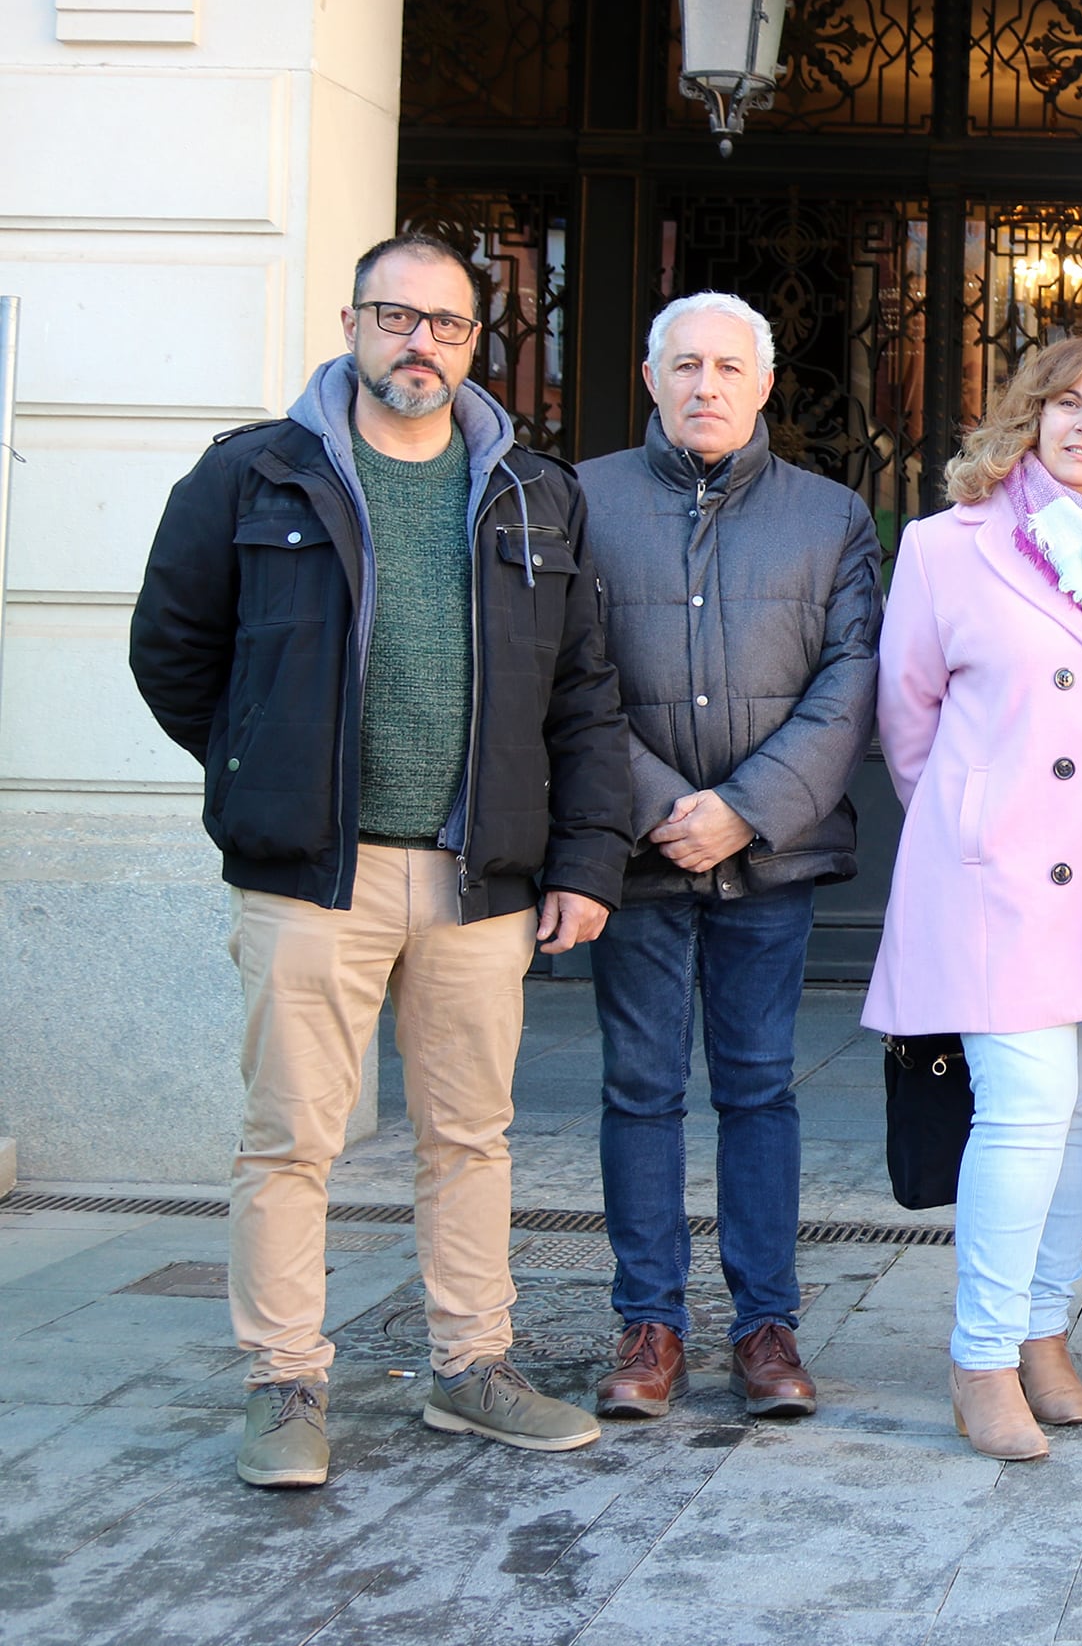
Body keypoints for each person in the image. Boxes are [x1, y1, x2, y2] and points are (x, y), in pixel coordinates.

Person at [128, 231, 631, 1489]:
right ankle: (284, 1382)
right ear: (353, 323)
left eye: (447, 323)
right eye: (397, 316)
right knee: (291, 1136)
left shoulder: (533, 491)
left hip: (478, 877)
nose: (421, 342)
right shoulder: (256, 475)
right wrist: (265, 769)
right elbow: (173, 650)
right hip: (314, 872)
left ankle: (473, 1368)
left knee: (472, 1135)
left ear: (476, 341)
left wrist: (583, 860)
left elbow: (582, 695)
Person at [864, 336, 1082, 1461]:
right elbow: (907, 720)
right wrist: (976, 823)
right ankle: (983, 1351)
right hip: (994, 881)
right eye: (1067, 402)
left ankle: (1047, 1328)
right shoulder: (943, 545)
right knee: (1021, 1107)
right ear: (1029, 414)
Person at [577, 292, 881, 1423]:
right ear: (649, 377)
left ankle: (766, 1328)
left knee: (759, 1088)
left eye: (729, 366)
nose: (706, 385)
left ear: (764, 384)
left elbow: (852, 684)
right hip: (635, 856)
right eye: (685, 364)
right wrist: (665, 804)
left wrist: (746, 809)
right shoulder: (581, 499)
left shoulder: (831, 514)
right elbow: (567, 673)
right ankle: (649, 1324)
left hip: (773, 857)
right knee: (640, 1088)